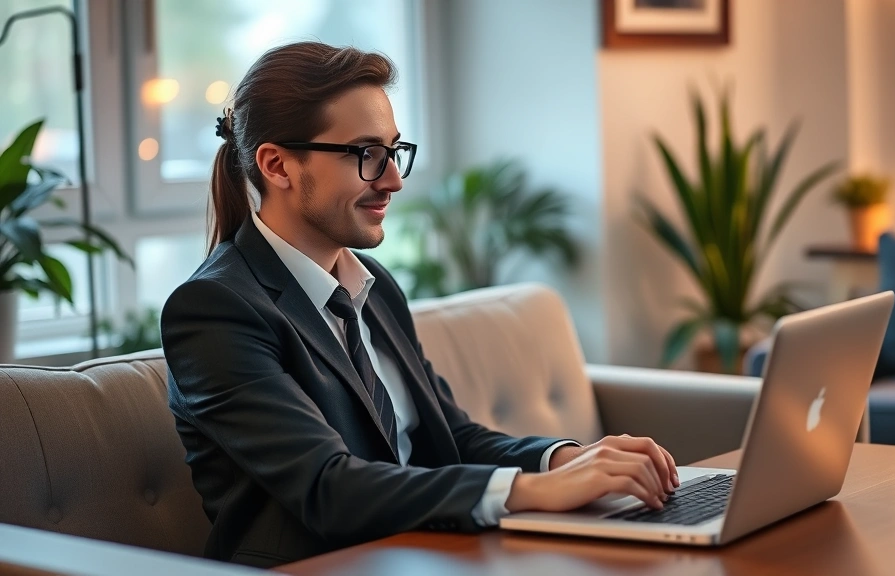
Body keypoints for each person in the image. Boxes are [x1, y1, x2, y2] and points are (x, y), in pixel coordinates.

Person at [161, 41, 679, 568]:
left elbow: (450, 435)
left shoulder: (374, 286)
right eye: (366, 155)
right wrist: (534, 491)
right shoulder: (215, 310)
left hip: (429, 550)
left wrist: (566, 458)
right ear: (277, 165)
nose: (393, 180)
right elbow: (328, 488)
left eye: (393, 150)